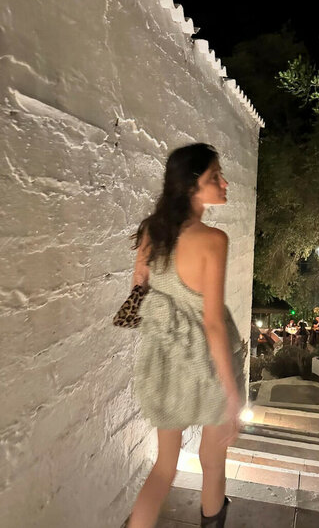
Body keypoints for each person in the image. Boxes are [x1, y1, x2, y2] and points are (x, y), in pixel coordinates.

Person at [127, 143, 246, 528]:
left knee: (164, 468)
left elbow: (139, 288)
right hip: (206, 364)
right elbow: (212, 323)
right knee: (213, 463)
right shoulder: (213, 239)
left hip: (164, 358)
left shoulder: (152, 231)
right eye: (215, 177)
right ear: (191, 185)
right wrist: (231, 393)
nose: (224, 183)